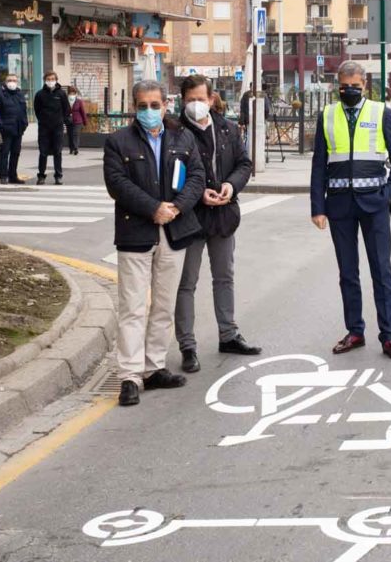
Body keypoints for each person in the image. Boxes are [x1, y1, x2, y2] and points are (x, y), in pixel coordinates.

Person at [104, 80, 206, 407]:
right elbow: (117, 183)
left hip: (174, 230)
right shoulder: (118, 142)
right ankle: (130, 376)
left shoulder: (183, 138)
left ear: (166, 106)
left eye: (155, 105)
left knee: (163, 305)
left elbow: (197, 177)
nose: (149, 111)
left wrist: (176, 207)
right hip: (137, 231)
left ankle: (154, 366)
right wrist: (153, 208)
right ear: (135, 107)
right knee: (133, 307)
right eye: (143, 105)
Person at [311, 61, 391, 360]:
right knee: (347, 273)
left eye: (354, 86)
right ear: (336, 85)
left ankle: (389, 335)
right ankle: (355, 331)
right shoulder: (327, 115)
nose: (348, 91)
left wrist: (387, 194)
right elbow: (318, 165)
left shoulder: (381, 113)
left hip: (373, 204)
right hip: (340, 205)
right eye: (343, 86)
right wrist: (318, 207)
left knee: (381, 270)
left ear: (364, 85)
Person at [174, 75, 259, 373]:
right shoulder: (175, 132)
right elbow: (172, 179)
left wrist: (230, 187)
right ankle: (187, 345)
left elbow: (244, 164)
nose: (196, 105)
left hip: (223, 214)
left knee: (225, 276)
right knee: (187, 283)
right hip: (191, 217)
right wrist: (198, 196)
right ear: (182, 101)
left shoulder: (227, 128)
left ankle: (229, 334)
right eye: (190, 100)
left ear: (212, 99)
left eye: (201, 99)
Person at [0, 74, 29, 185]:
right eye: (10, 80)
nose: (12, 82)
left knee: (15, 153)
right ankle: (3, 176)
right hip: (6, 130)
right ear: (5, 82)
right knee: (4, 153)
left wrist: (24, 123)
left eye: (14, 80)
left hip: (18, 129)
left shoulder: (19, 94)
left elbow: (23, 111)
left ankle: (13, 175)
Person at [33, 70, 70, 185]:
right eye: (48, 79)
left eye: (52, 79)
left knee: (57, 152)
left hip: (57, 127)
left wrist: (61, 120)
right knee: (43, 152)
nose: (50, 81)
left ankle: (58, 176)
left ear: (56, 80)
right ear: (45, 80)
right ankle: (41, 176)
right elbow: (37, 110)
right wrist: (43, 120)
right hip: (44, 127)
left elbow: (66, 109)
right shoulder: (39, 94)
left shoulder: (61, 94)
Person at [67, 86, 87, 155]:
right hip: (69, 121)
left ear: (75, 94)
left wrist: (85, 121)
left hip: (78, 121)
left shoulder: (79, 101)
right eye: (70, 93)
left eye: (73, 93)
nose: (71, 95)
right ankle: (71, 148)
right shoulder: (66, 101)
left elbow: (83, 112)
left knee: (76, 134)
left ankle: (76, 148)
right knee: (70, 135)